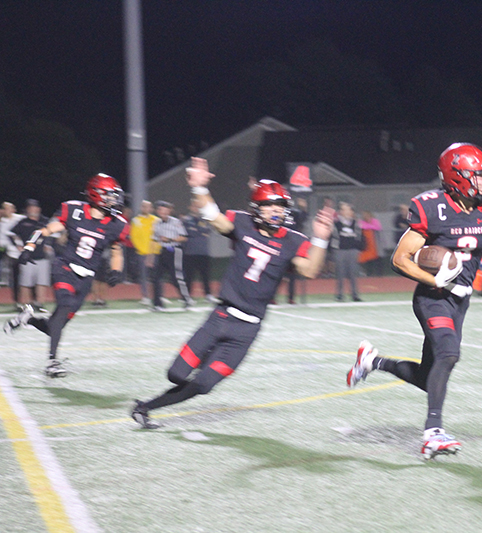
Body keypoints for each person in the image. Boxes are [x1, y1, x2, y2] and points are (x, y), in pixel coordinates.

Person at [345, 143, 482, 459]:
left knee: (427, 377)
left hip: (461, 301)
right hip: (433, 297)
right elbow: (400, 259)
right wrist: (434, 279)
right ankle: (433, 432)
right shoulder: (432, 208)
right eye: (479, 176)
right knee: (449, 353)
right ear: (456, 177)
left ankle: (372, 361)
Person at [131, 157, 334, 429]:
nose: (275, 211)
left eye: (280, 205)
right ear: (256, 208)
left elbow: (309, 270)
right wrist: (200, 188)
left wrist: (321, 238)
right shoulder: (242, 223)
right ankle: (198, 359)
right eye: (269, 205)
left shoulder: (292, 240)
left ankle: (145, 408)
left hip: (247, 330)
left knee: (203, 385)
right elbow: (214, 218)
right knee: (176, 374)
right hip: (221, 317)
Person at [3, 174, 128, 378]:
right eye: (109, 196)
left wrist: (116, 270)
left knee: (55, 325)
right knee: (65, 306)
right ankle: (52, 362)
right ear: (96, 195)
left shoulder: (116, 224)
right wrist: (29, 246)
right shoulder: (74, 210)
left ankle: (28, 319)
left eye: (115, 197)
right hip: (65, 268)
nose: (114, 201)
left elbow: (117, 251)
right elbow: (44, 230)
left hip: (86, 278)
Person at [151, 201, 192, 311]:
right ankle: (157, 304)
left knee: (176, 278)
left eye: (165, 210)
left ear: (169, 211)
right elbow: (154, 240)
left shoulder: (175, 222)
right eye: (160, 210)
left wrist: (169, 239)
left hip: (174, 250)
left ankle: (186, 299)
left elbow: (184, 237)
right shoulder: (157, 224)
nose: (163, 212)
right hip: (162, 251)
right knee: (155, 278)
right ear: (157, 211)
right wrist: (150, 256)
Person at [10, 199, 50, 312]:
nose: (33, 209)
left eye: (35, 207)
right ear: (27, 209)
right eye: (31, 207)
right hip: (27, 257)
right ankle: (26, 305)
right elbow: (11, 234)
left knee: (41, 282)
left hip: (42, 256)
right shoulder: (23, 222)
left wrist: (48, 244)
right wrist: (17, 245)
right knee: (25, 283)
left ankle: (39, 304)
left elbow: (52, 234)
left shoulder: (44, 221)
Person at [182, 198, 218, 303]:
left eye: (198, 206)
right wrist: (200, 232)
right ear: (190, 207)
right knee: (189, 276)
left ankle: (208, 294)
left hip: (203, 252)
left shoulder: (205, 219)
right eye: (194, 205)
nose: (196, 208)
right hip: (190, 252)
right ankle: (187, 297)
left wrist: (196, 231)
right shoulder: (186, 220)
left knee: (205, 275)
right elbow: (189, 232)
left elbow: (208, 230)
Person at [130, 201, 160, 305]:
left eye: (148, 207)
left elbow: (159, 236)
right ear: (141, 208)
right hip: (142, 253)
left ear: (151, 208)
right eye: (144, 206)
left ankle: (158, 295)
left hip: (155, 253)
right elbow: (134, 237)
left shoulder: (156, 220)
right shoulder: (136, 221)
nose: (146, 208)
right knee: (143, 276)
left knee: (157, 276)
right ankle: (145, 296)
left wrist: (155, 250)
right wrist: (143, 250)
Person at [331, 202, 362, 302]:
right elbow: (334, 237)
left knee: (353, 273)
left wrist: (357, 248)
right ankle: (340, 294)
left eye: (348, 209)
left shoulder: (355, 223)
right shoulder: (336, 223)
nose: (347, 212)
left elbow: (358, 237)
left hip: (352, 250)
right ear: (340, 211)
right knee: (340, 273)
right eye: (344, 209)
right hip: (340, 251)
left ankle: (355, 294)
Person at [283, 196, 309, 304]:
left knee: (292, 276)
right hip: (281, 247)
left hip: (292, 248)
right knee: (276, 275)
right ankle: (271, 297)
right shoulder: (279, 213)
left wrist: (303, 208)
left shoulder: (295, 213)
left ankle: (291, 297)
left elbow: (303, 218)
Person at [1, 202, 25, 308]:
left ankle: (29, 301)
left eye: (10, 208)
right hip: (8, 252)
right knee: (13, 278)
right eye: (6, 209)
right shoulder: (2, 222)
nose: (9, 210)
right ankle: (17, 301)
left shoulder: (20, 219)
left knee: (23, 278)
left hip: (22, 252)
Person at [358, 210, 383, 276]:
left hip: (375, 243)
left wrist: (368, 226)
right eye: (364, 215)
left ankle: (379, 274)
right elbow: (361, 226)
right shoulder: (361, 221)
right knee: (368, 259)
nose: (365, 217)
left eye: (367, 215)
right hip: (366, 243)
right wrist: (370, 226)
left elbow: (378, 227)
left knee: (377, 259)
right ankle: (369, 273)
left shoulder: (375, 221)